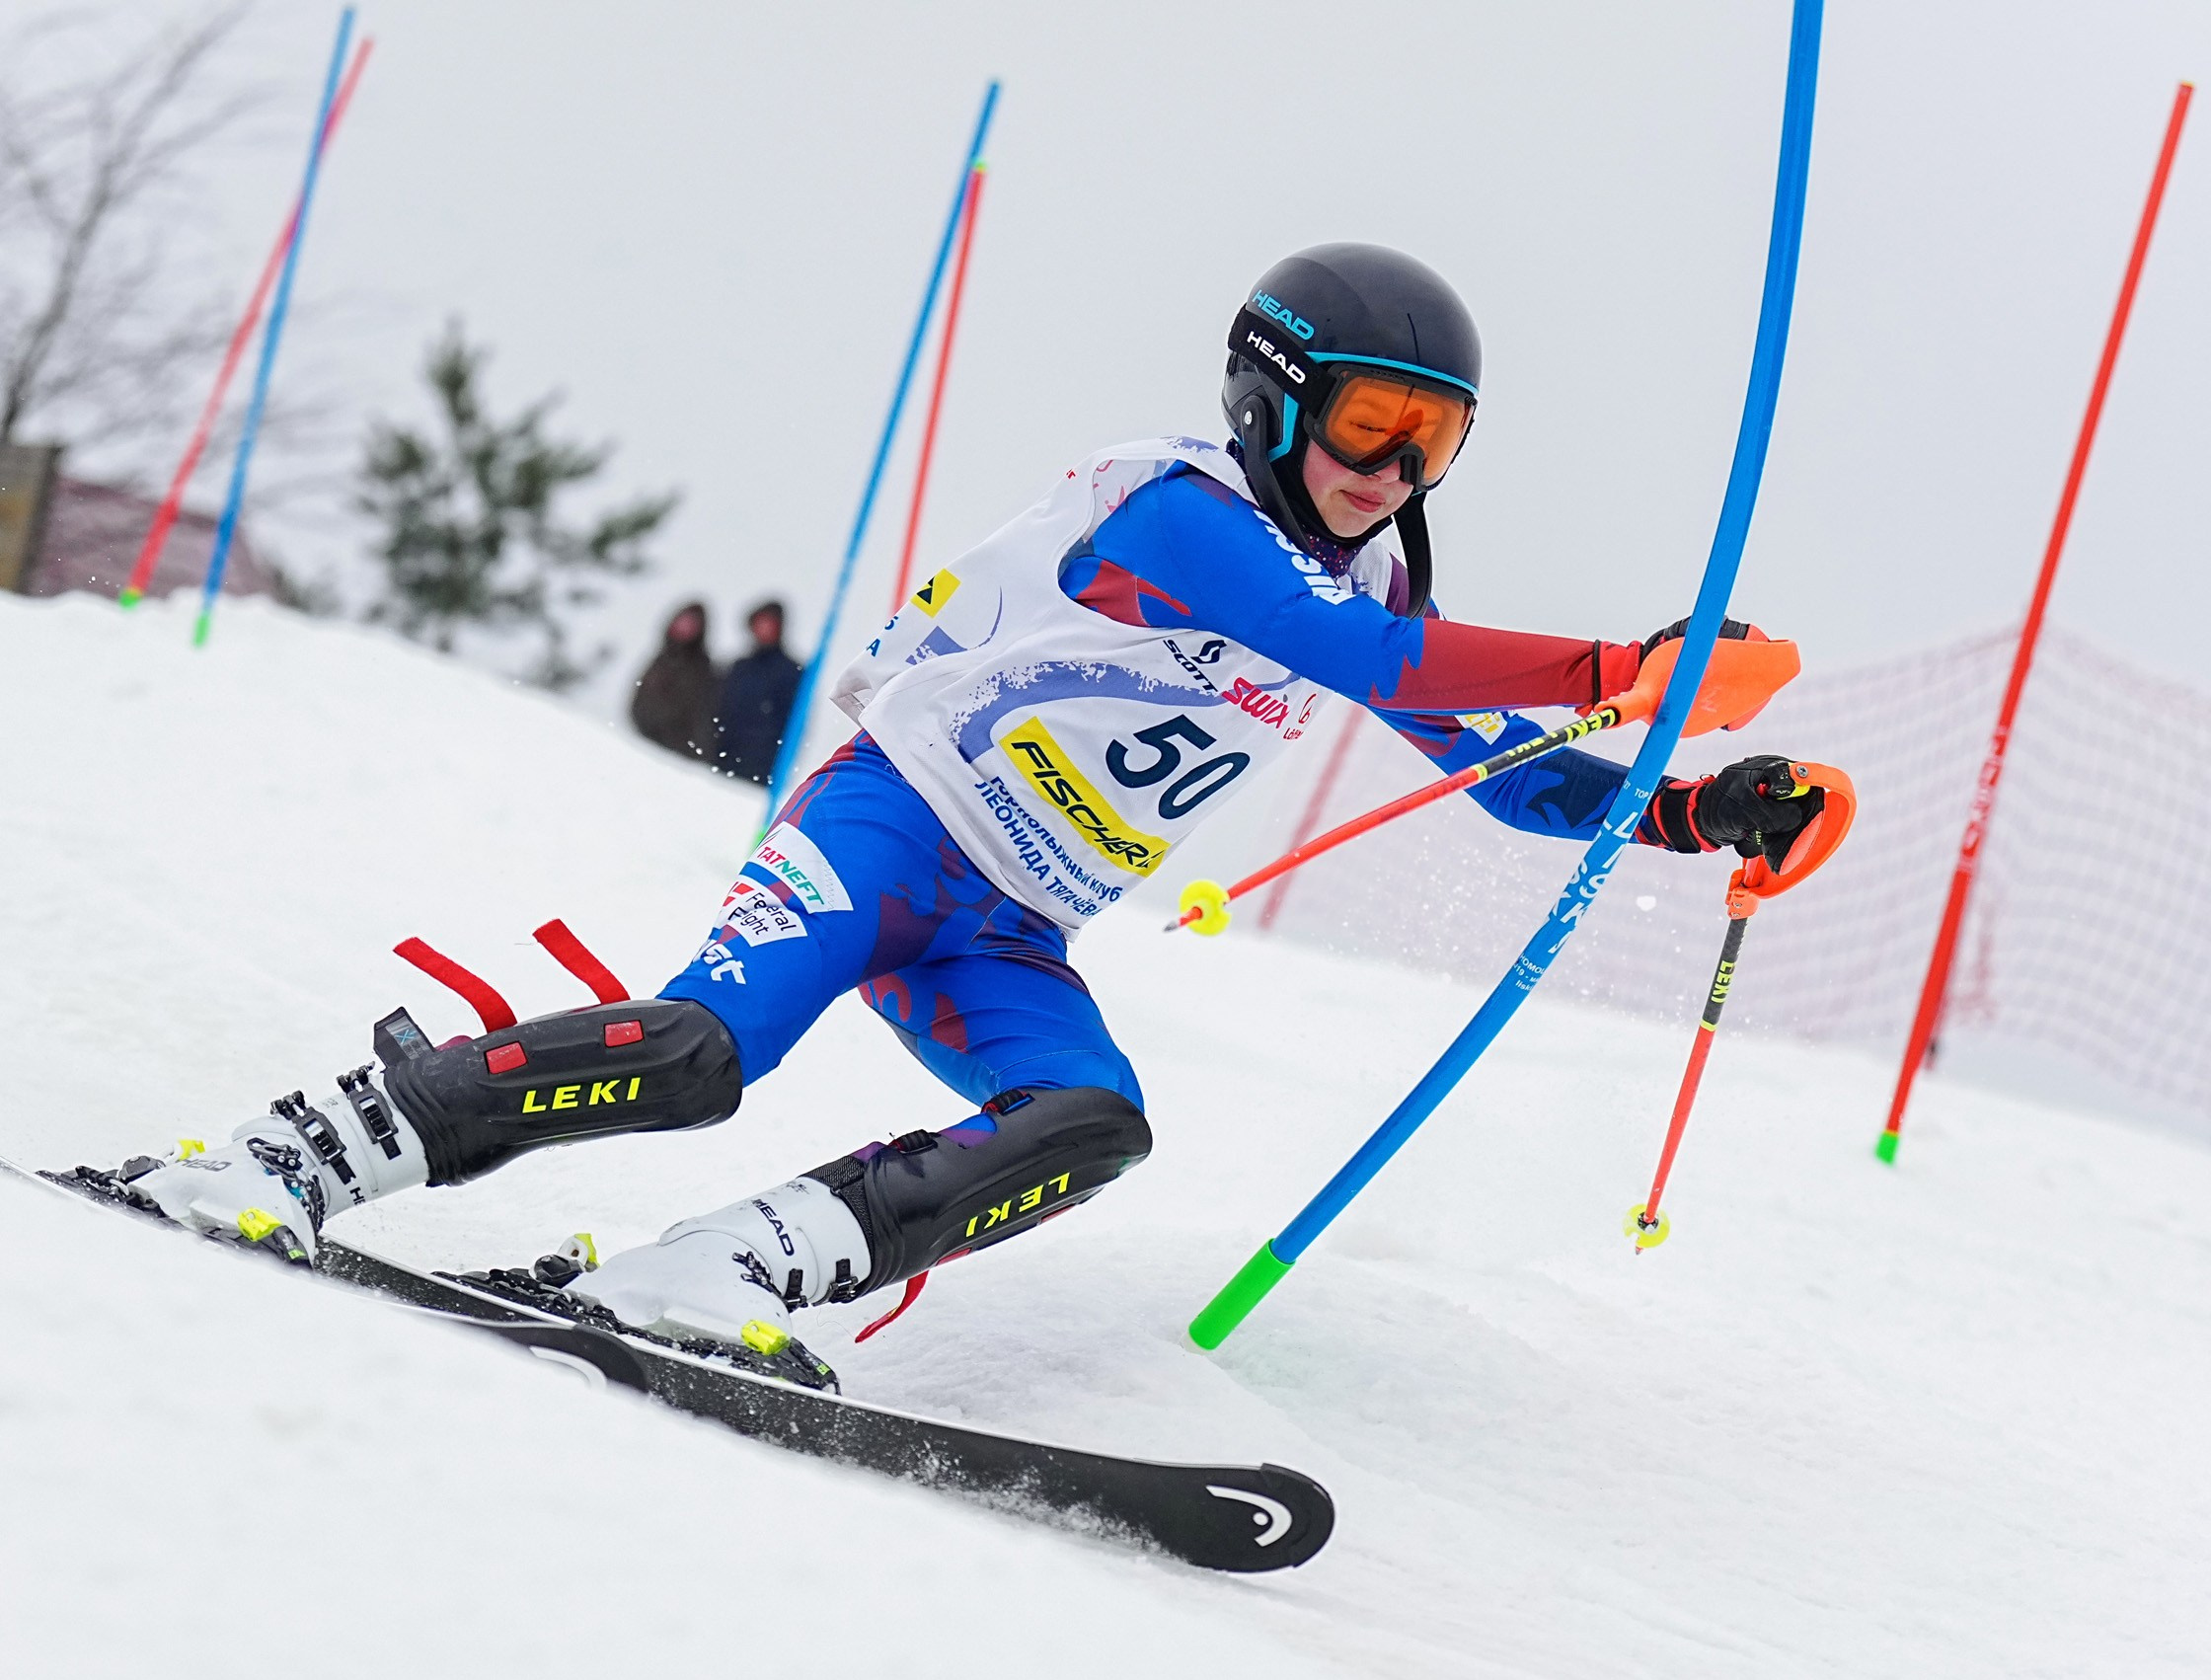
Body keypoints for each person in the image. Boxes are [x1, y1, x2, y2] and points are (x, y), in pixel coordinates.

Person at [106, 245, 1824, 1383]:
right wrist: (1627, 653)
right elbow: (1348, 649)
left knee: (1089, 1120)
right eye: (1368, 418)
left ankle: (723, 1272)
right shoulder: (1181, 507)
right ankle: (284, 1154)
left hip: (1011, 925)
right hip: (891, 829)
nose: (1391, 465)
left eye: (1431, 435)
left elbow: (1508, 772)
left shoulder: (1371, 570)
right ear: (1274, 394)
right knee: (703, 1055)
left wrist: (1689, 805)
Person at [713, 600, 801, 784]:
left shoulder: (792, 671)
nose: (764, 629)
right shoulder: (739, 667)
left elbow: (792, 723)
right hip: (724, 760)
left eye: (770, 624)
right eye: (760, 623)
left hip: (762, 768)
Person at [629, 601, 720, 762]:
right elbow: (639, 701)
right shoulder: (661, 659)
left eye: (691, 625)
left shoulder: (701, 668)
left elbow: (698, 719)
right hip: (642, 743)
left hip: (676, 756)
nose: (685, 628)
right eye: (683, 622)